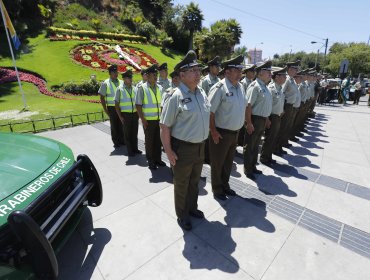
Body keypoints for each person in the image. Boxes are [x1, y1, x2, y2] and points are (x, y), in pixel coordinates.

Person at [160, 50, 210, 231]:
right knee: (182, 183)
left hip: (199, 147)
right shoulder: (175, 96)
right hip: (183, 148)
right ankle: (182, 215)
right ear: (182, 75)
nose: (198, 74)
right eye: (193, 70)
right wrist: (169, 151)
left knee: (194, 181)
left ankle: (192, 208)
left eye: (199, 70)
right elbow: (165, 127)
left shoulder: (201, 93)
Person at [208, 55, 245, 200]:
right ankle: (217, 189)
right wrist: (213, 131)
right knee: (218, 163)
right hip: (221, 133)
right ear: (228, 72)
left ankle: (225, 185)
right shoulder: (219, 88)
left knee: (228, 162)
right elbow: (209, 112)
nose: (240, 73)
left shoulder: (240, 87)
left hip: (234, 133)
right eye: (237, 70)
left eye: (240, 70)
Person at [243, 61, 273, 180]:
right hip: (254, 119)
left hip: (261, 120)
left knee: (256, 146)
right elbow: (248, 106)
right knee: (250, 145)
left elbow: (264, 105)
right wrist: (249, 123)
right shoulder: (254, 86)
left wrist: (266, 119)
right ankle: (247, 169)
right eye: (268, 72)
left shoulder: (264, 86)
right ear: (260, 73)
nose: (271, 74)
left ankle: (253, 166)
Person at [135, 64, 165, 170]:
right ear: (147, 76)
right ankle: (151, 161)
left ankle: (158, 159)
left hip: (159, 120)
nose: (156, 76)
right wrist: (143, 120)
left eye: (156, 74)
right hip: (148, 121)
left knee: (158, 141)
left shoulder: (160, 88)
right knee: (149, 142)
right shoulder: (142, 88)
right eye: (153, 74)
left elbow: (162, 104)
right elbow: (138, 105)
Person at [260, 67, 286, 165]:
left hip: (278, 116)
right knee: (269, 138)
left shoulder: (280, 88)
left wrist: (282, 110)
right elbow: (268, 105)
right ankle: (264, 157)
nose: (284, 78)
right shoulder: (271, 88)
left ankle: (269, 156)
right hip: (272, 116)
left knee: (274, 138)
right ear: (277, 77)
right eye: (283, 76)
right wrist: (267, 119)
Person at [275, 61, 300, 155]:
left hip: (291, 106)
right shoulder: (287, 80)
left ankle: (281, 145)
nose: (296, 71)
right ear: (289, 69)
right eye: (295, 69)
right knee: (282, 128)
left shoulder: (292, 80)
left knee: (286, 127)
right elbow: (282, 94)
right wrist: (283, 108)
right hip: (286, 106)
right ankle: (277, 147)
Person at [115, 70, 141, 157]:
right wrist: (120, 116)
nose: (131, 79)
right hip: (126, 115)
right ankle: (130, 151)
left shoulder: (135, 88)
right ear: (125, 79)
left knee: (134, 132)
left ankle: (135, 149)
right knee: (127, 134)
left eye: (131, 77)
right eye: (129, 78)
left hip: (135, 114)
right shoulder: (120, 89)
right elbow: (116, 104)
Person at [98, 64, 125, 148]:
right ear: (110, 73)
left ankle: (122, 140)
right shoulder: (105, 83)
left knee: (122, 124)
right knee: (114, 125)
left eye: (116, 71)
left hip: (121, 107)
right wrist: (105, 109)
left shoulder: (121, 82)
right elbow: (102, 97)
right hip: (112, 108)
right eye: (114, 72)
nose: (116, 73)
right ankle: (116, 141)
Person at [238, 64, 256, 146]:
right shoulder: (243, 82)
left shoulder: (252, 82)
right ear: (247, 72)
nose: (254, 73)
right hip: (243, 107)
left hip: (249, 107)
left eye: (254, 71)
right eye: (252, 71)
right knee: (242, 127)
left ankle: (241, 141)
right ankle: (240, 141)